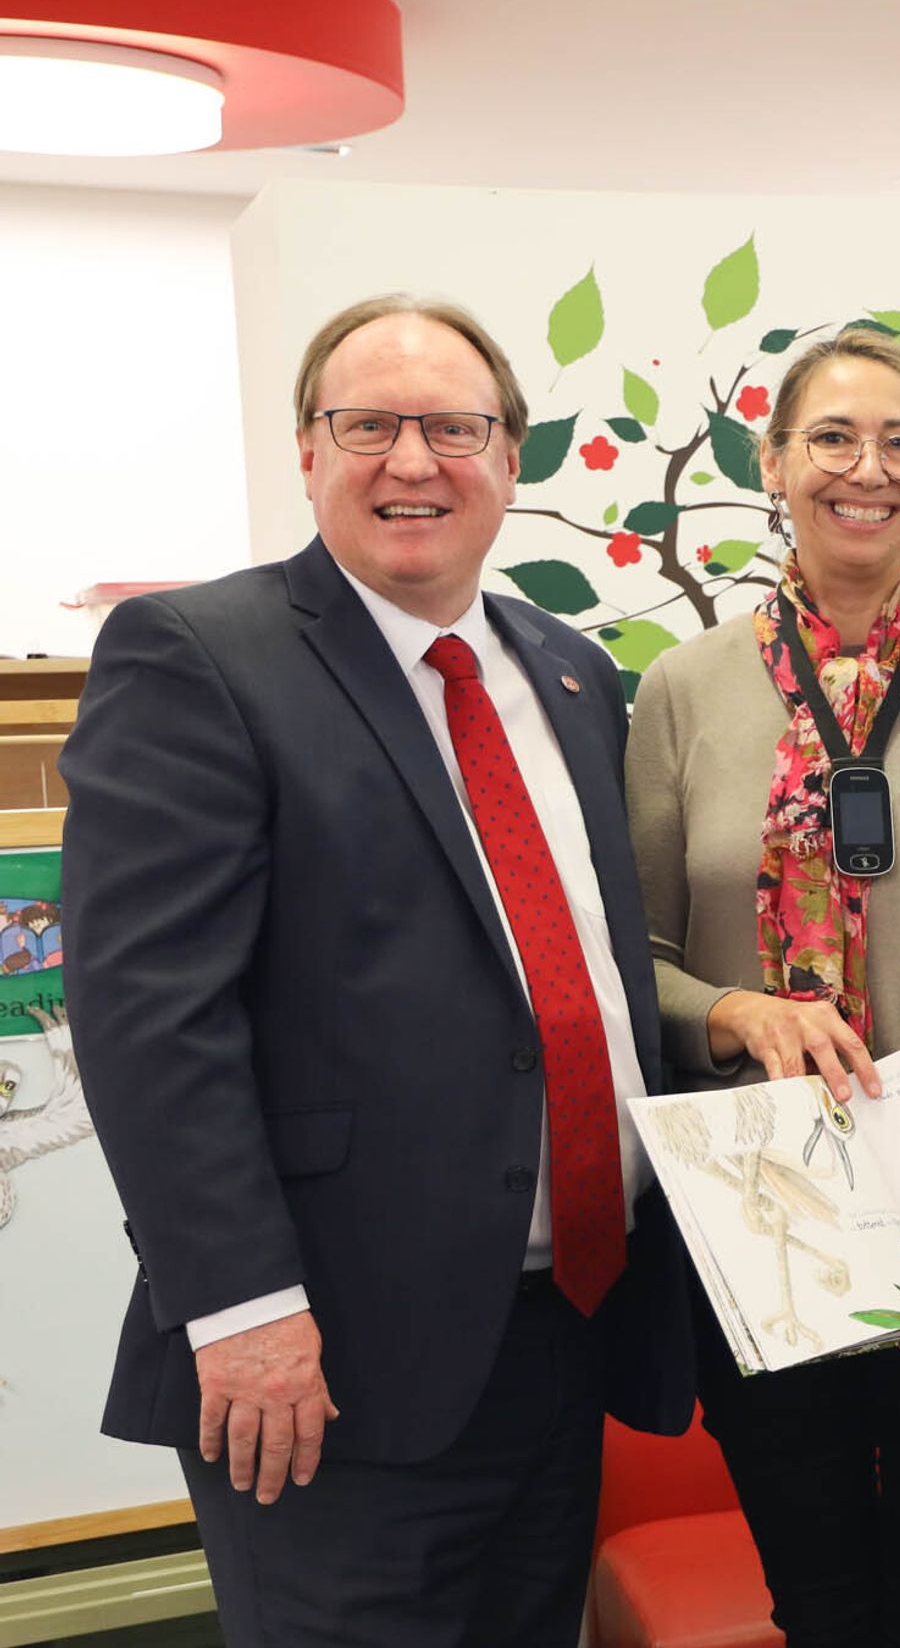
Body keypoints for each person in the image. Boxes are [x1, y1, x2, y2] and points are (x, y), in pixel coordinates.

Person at [59, 295, 695, 1646]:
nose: (415, 461)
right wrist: (242, 1309)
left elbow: (583, 969)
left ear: (509, 455)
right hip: (324, 1354)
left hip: (561, 1327)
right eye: (370, 425)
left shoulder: (572, 673)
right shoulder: (197, 657)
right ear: (308, 450)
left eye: (454, 427)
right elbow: (150, 1020)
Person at [624, 325, 900, 1646]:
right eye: (833, 437)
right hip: (759, 1211)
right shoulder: (680, 689)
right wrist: (734, 1009)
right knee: (818, 1607)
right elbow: (635, 960)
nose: (868, 469)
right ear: (773, 462)